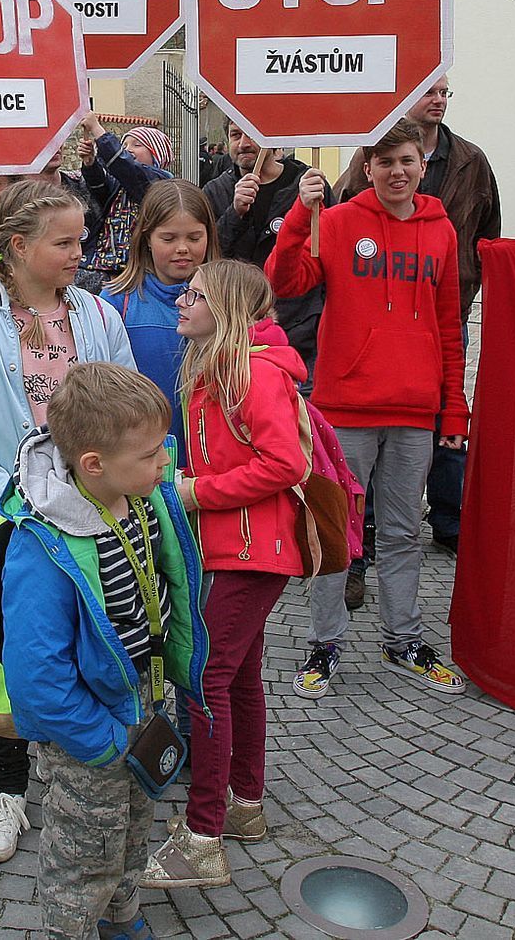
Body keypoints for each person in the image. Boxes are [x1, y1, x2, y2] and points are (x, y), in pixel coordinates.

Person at [0, 179, 135, 865]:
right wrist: (18, 504)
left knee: (85, 646)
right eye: (65, 242)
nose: (82, 252)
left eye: (82, 239)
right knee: (12, 655)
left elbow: (128, 411)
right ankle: (8, 791)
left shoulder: (101, 319)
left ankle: (86, 770)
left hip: (93, 519)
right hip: (10, 528)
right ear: (17, 247)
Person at [0, 363, 205, 940]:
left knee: (136, 822)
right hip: (88, 722)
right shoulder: (44, 545)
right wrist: (102, 740)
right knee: (85, 840)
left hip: (144, 696)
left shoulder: (139, 498)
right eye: (151, 455)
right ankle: (72, 927)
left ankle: (120, 913)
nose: (165, 463)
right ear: (94, 464)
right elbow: (37, 674)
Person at [266, 120, 469, 701]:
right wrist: (303, 215)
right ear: (368, 166)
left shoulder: (441, 232)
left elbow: (449, 325)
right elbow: (285, 280)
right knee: (336, 528)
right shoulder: (339, 221)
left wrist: (453, 412)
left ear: (421, 164)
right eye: (384, 162)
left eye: (405, 160)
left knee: (404, 532)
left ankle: (403, 638)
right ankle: (324, 641)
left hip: (414, 409)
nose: (396, 172)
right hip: (346, 405)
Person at [141, 261, 303, 891]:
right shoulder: (221, 369)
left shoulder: (252, 374)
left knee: (205, 677)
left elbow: (284, 463)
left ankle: (204, 834)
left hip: (252, 552)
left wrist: (196, 493)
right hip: (240, 549)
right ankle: (245, 803)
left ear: (228, 309)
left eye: (197, 294)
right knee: (238, 677)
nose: (183, 299)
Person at [401, 78, 498, 553]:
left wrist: (469, 278)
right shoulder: (375, 154)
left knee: (447, 410)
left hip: (450, 307)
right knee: (395, 412)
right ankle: (376, 520)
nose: (438, 99)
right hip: (394, 308)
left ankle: (448, 518)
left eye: (444, 91)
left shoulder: (470, 160)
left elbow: (488, 232)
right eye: (428, 91)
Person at [101, 180, 218, 456]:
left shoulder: (225, 300)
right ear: (147, 239)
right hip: (140, 452)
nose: (182, 248)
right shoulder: (117, 301)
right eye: (169, 238)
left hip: (211, 456)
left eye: (194, 238)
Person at [202, 123, 330, 373]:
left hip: (300, 330)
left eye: (252, 133)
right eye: (235, 135)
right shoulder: (216, 190)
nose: (244, 144)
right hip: (236, 331)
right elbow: (209, 257)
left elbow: (326, 252)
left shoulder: (306, 185)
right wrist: (234, 213)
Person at [79, 117, 173, 292]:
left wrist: (97, 129)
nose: (128, 149)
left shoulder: (159, 182)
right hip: (104, 266)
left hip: (136, 269)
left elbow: (124, 166)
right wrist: (90, 163)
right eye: (125, 145)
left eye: (137, 144)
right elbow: (100, 187)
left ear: (156, 153)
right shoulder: (121, 182)